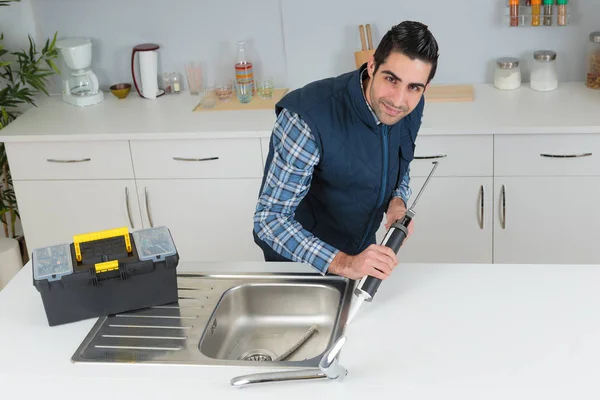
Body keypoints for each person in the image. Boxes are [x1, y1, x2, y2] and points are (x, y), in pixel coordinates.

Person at [253, 21, 439, 281]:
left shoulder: (410, 106)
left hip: (360, 257)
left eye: (413, 87)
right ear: (372, 66)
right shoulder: (306, 118)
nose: (398, 100)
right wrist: (345, 263)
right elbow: (270, 220)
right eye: (390, 79)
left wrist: (398, 200)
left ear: (424, 87)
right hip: (299, 269)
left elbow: (400, 162)